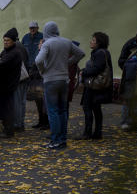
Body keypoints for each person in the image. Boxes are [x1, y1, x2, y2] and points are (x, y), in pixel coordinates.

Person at [35, 22, 86, 150]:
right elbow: (80, 54)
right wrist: (68, 63)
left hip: (51, 80)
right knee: (63, 110)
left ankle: (55, 140)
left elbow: (38, 60)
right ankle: (62, 139)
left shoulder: (47, 43)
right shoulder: (66, 42)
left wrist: (43, 70)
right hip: (64, 80)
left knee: (53, 111)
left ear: (46, 31)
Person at [78, 32, 113, 140]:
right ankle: (97, 132)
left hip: (94, 86)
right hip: (97, 85)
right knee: (96, 108)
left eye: (93, 40)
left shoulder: (99, 53)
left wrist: (84, 72)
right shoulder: (103, 52)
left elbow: (97, 69)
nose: (91, 42)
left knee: (88, 107)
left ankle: (88, 133)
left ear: (99, 43)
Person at [0, 28, 24, 138]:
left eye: (7, 40)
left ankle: (8, 131)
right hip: (3, 84)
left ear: (13, 41)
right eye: (4, 40)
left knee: (7, 108)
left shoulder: (14, 52)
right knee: (4, 107)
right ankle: (6, 129)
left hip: (8, 85)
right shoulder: (6, 51)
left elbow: (0, 64)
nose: (5, 42)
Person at [22, 21, 47, 128]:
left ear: (37, 28)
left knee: (42, 97)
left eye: (34, 28)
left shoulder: (42, 37)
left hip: (39, 70)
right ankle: (41, 120)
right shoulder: (25, 38)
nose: (32, 30)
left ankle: (45, 121)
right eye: (30, 28)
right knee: (36, 96)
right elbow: (23, 51)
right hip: (29, 70)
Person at [6, 28, 30, 131]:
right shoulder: (22, 47)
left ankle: (17, 124)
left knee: (17, 102)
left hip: (19, 78)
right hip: (25, 77)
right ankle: (20, 123)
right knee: (22, 102)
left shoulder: (15, 47)